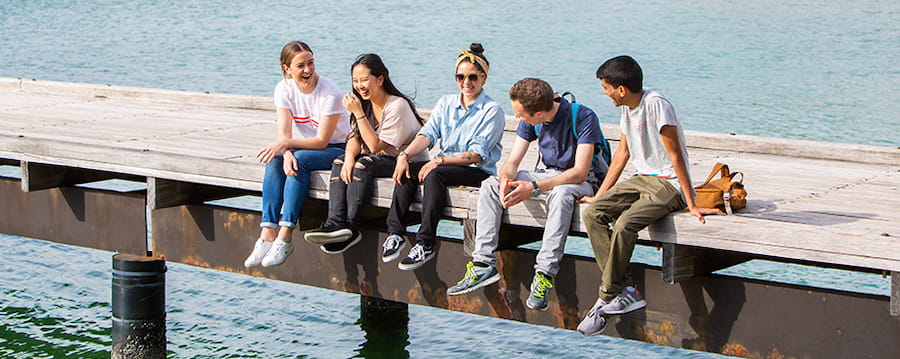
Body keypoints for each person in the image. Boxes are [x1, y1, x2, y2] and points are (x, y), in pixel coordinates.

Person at [576, 56, 723, 335]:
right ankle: (625, 290)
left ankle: (607, 296)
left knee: (624, 224)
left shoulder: (656, 104)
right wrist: (600, 195)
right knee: (592, 214)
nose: (604, 93)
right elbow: (622, 153)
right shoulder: (626, 107)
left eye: (605, 88)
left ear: (621, 89)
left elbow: (675, 154)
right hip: (641, 178)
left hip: (668, 184)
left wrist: (691, 203)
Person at [447, 78, 609, 312]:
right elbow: (513, 161)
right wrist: (507, 178)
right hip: (547, 175)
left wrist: (533, 188)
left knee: (561, 194)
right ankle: (483, 263)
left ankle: (544, 274)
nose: (518, 119)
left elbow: (580, 172)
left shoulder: (583, 116)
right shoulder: (530, 119)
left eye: (521, 115)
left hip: (581, 182)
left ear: (540, 114)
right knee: (491, 184)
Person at [383, 43, 506, 271]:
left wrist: (438, 160)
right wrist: (404, 155)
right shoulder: (446, 103)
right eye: (461, 77)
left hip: (476, 172)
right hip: (446, 166)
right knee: (409, 168)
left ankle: (426, 242)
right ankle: (395, 233)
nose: (466, 83)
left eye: (473, 77)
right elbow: (427, 134)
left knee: (435, 175)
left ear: (484, 78)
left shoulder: (492, 110)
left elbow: (476, 155)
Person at [303, 54, 428, 253]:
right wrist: (349, 158)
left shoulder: (397, 106)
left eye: (364, 80)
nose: (359, 86)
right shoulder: (365, 103)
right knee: (339, 161)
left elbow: (375, 145)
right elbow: (355, 137)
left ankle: (352, 227)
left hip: (408, 162)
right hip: (383, 159)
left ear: (380, 79)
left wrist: (358, 112)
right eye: (355, 81)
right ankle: (335, 223)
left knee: (363, 166)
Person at [243, 41, 350, 268]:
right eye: (300, 65)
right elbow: (284, 133)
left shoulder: (329, 92)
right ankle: (267, 233)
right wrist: (286, 150)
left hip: (338, 148)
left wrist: (288, 147)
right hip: (303, 146)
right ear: (287, 69)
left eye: (310, 63)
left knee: (298, 162)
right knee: (275, 159)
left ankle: (285, 234)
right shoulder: (283, 89)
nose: (308, 70)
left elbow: (322, 141)